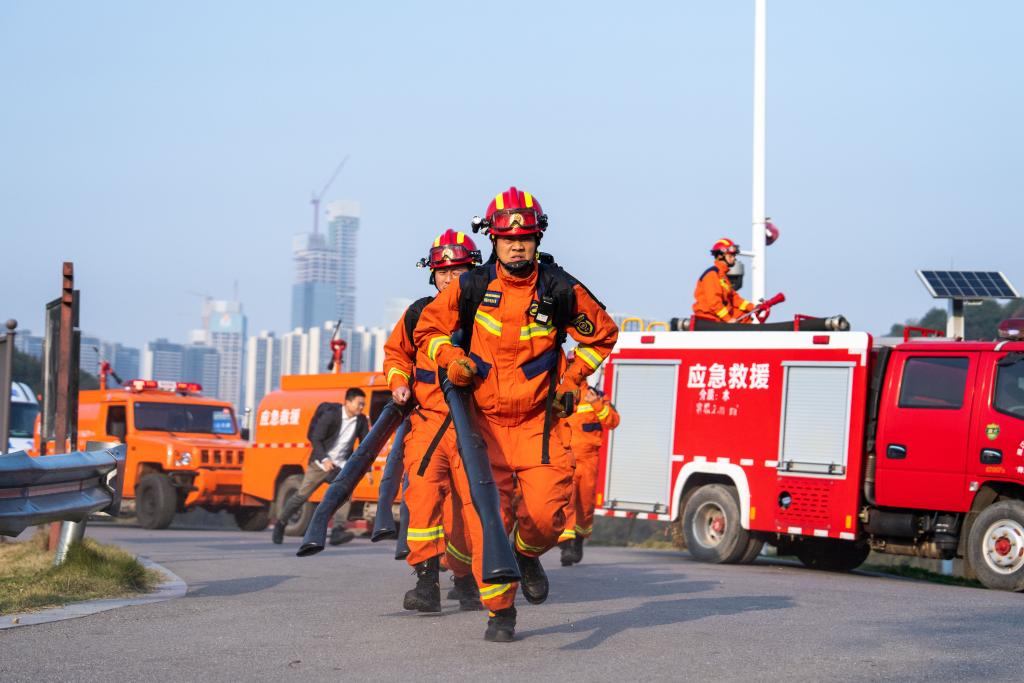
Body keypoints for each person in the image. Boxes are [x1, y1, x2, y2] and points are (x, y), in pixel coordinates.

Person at [414, 186, 618, 642]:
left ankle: (527, 555)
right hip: (482, 427)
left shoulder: (560, 288)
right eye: (509, 239)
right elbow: (429, 328)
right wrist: (450, 358)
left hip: (537, 428)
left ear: (538, 238)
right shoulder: (471, 285)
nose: (518, 245)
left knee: (547, 519)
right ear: (494, 240)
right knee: (487, 519)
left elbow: (602, 335)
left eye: (526, 236)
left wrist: (571, 381)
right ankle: (500, 614)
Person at [382, 229, 483, 613]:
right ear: (432, 274)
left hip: (474, 426)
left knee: (471, 509)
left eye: (457, 270)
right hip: (427, 423)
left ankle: (467, 577)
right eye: (442, 271)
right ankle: (426, 584)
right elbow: (396, 356)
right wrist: (398, 383)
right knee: (422, 500)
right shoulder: (417, 314)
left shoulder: (484, 314)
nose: (449, 278)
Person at [271, 388, 368, 545]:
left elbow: (365, 445)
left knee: (344, 494)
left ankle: (337, 531)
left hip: (340, 465)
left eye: (363, 404)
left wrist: (367, 468)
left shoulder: (361, 420)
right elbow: (316, 438)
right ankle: (281, 523)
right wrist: (324, 459)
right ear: (348, 402)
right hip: (320, 464)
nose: (361, 407)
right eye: (359, 403)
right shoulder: (331, 416)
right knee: (302, 495)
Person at [558, 383, 620, 566]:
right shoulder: (559, 393)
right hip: (564, 458)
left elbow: (613, 421)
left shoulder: (597, 395)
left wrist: (597, 404)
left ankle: (579, 539)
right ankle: (566, 546)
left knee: (585, 505)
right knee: (566, 502)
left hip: (588, 460)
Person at [692, 238, 756, 323]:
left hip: (719, 317)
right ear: (720, 256)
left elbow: (734, 298)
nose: (734, 258)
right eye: (730, 256)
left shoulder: (723, 277)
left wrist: (753, 308)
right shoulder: (712, 275)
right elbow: (714, 302)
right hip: (709, 319)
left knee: (744, 316)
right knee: (742, 320)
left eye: (734, 256)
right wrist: (728, 319)